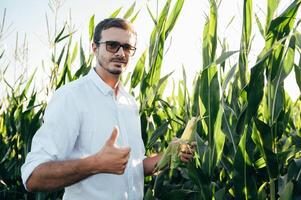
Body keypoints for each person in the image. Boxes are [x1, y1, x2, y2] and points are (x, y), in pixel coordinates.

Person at [21, 18, 194, 200]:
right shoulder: (71, 97)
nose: (120, 53)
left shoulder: (129, 103)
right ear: (94, 48)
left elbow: (134, 166)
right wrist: (95, 163)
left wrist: (169, 155)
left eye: (127, 47)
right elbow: (33, 177)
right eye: (112, 45)